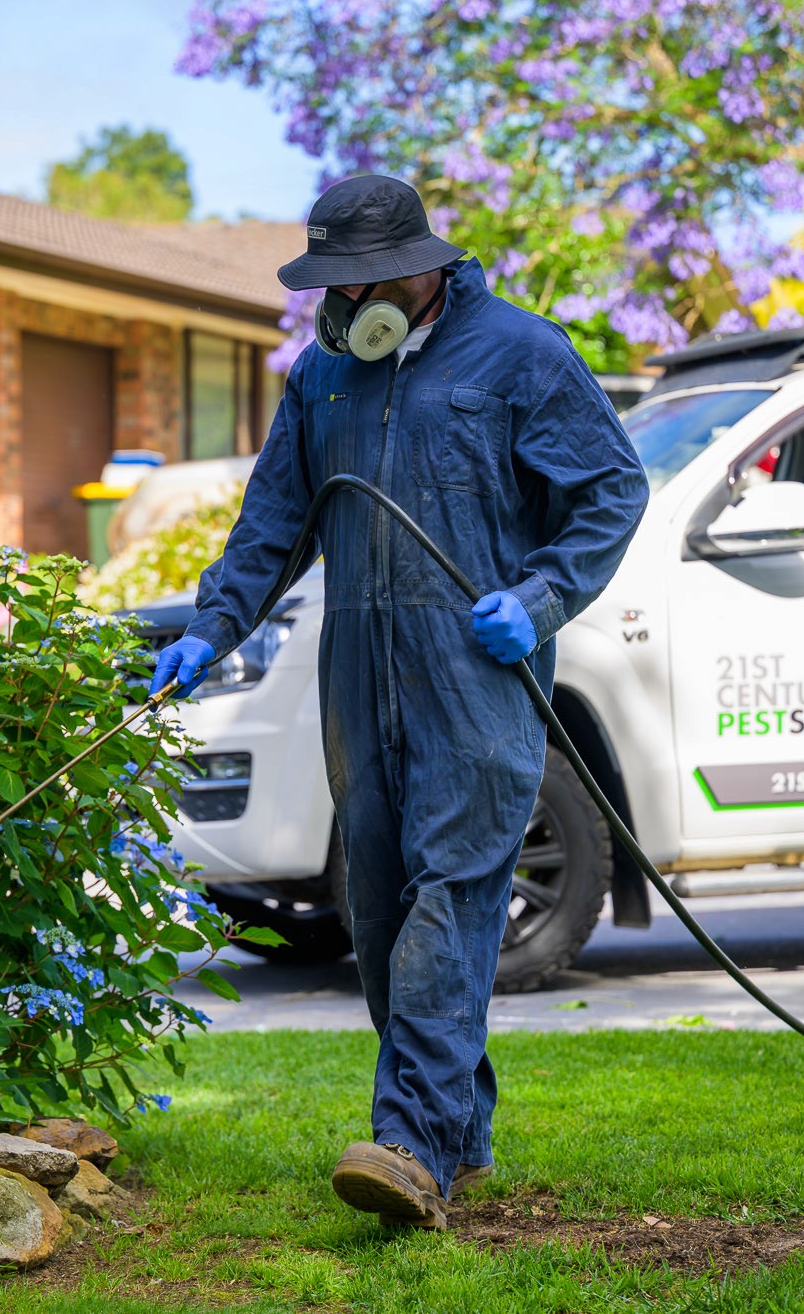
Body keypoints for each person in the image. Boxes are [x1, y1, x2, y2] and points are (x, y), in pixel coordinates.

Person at [152, 175, 648, 1230]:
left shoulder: (521, 354)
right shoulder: (325, 372)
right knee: (377, 912)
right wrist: (210, 627)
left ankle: (408, 1143)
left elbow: (610, 486)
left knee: (452, 898)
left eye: (367, 276)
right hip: (357, 673)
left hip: (476, 679)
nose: (349, 297)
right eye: (334, 280)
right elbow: (275, 520)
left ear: (426, 264)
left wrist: (542, 591)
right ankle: (459, 1138)